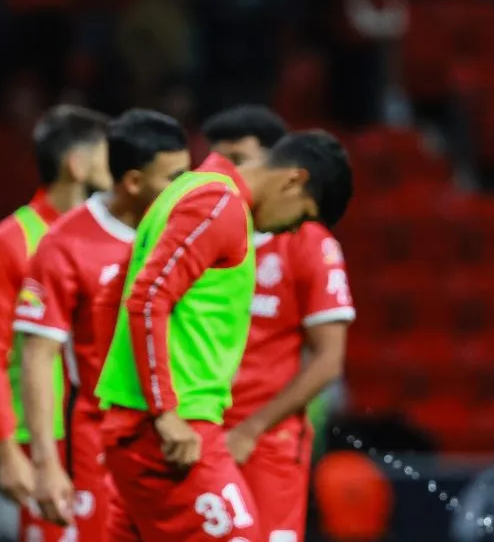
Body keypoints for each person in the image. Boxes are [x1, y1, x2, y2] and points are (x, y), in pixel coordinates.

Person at [95, 130, 354, 541]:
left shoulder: (188, 189)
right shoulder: (220, 205)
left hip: (153, 424)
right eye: (302, 216)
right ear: (294, 180)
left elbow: (111, 298)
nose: (291, 230)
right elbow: (146, 298)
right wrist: (164, 413)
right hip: (173, 430)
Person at [15, 109, 191, 540]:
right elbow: (38, 356)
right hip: (102, 442)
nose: (186, 190)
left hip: (183, 433)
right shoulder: (66, 242)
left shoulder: (192, 233)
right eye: (174, 179)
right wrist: (46, 462)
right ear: (133, 182)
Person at [203, 106, 356, 542]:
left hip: (265, 441)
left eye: (239, 158)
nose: (228, 172)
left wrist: (251, 429)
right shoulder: (202, 224)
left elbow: (328, 361)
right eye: (218, 159)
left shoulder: (308, 243)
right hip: (194, 431)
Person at [0, 105, 111, 540]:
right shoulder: (10, 240)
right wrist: (6, 449)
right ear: (77, 164)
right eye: (107, 152)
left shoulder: (113, 236)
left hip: (105, 433)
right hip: (43, 440)